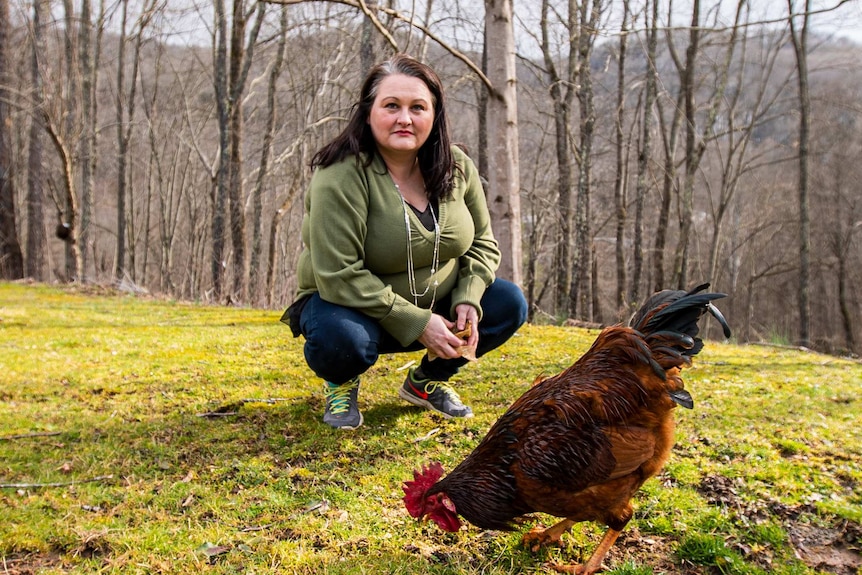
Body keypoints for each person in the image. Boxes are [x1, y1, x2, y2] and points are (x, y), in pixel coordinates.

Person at [282, 53, 528, 429]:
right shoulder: (341, 175)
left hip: (437, 303)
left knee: (508, 302)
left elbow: (483, 242)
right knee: (341, 340)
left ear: (434, 115)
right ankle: (341, 381)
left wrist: (468, 297)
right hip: (351, 308)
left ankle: (426, 382)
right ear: (369, 112)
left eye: (418, 107)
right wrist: (419, 323)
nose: (405, 118)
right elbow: (338, 274)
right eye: (391, 105)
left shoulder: (457, 166)